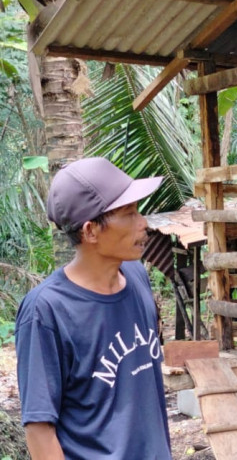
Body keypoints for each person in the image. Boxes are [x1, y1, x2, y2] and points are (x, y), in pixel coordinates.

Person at [15, 157, 171, 459]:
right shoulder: (46, 312)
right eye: (129, 214)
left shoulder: (137, 277)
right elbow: (39, 430)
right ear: (91, 231)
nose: (143, 223)